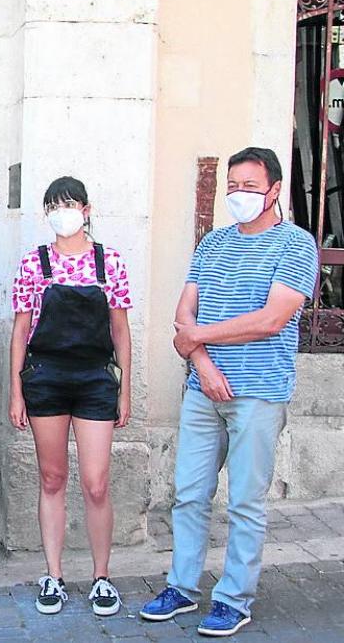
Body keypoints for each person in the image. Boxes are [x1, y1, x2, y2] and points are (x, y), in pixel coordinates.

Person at [140, 148, 319, 638]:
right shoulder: (214, 243)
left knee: (245, 501)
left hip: (258, 393)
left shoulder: (295, 244)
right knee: (189, 494)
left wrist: (198, 338)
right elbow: (184, 316)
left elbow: (272, 319)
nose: (239, 194)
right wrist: (203, 363)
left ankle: (234, 599)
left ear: (275, 190)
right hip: (204, 389)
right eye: (233, 186)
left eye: (250, 186)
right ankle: (181, 587)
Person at [6, 177, 133, 617]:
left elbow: (120, 330)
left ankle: (102, 577)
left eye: (70, 204)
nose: (63, 213)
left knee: (96, 482)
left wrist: (124, 389)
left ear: (86, 209)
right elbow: (21, 330)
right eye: (54, 206)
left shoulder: (109, 262)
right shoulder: (34, 263)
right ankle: (54, 575)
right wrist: (16, 391)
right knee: (52, 477)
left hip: (96, 378)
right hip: (46, 377)